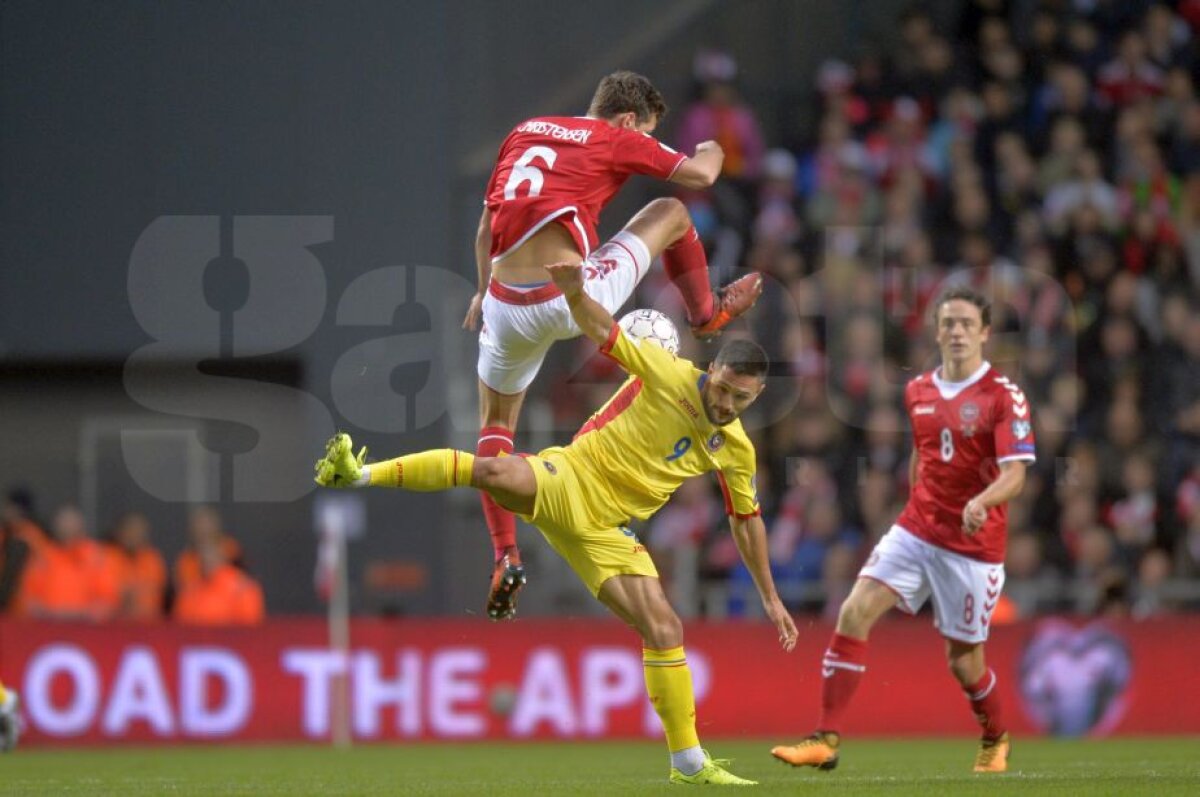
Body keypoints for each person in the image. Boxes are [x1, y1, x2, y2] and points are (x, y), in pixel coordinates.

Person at [318, 260, 796, 785]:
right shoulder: (670, 374)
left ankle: (689, 765)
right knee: (494, 471)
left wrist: (770, 597)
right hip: (570, 480)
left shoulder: (737, 450)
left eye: (739, 398)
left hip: (610, 533)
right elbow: (604, 331)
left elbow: (746, 522)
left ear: (758, 397)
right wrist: (572, 292)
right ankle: (358, 473)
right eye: (722, 388)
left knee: (664, 628)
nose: (724, 402)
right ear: (713, 372)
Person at [461, 70, 765, 621]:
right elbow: (699, 175)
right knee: (671, 214)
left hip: (506, 302)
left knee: (495, 430)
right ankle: (706, 313)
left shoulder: (525, 130)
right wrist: (714, 143)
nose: (643, 139)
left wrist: (482, 292)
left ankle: (504, 553)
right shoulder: (614, 137)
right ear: (629, 120)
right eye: (647, 131)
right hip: (572, 294)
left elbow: (487, 226)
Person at [771, 288, 1035, 774]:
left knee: (964, 662)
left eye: (966, 324)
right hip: (917, 530)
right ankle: (826, 737)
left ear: (985, 333)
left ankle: (995, 737)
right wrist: (912, 505)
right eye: (949, 322)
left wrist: (982, 500)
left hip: (973, 548)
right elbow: (923, 454)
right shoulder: (918, 391)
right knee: (854, 611)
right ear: (936, 331)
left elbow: (1016, 473)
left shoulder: (1003, 396)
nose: (957, 331)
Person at [0, 680, 18, 752]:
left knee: (12, 725)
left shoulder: (10, 695)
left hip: (5, 709)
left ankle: (8, 746)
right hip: (5, 710)